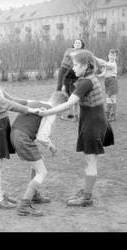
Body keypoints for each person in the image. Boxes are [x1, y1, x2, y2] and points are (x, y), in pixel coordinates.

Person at [38, 50, 114, 207]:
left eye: (75, 65)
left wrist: (46, 112)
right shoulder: (88, 78)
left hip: (93, 123)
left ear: (85, 66)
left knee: (90, 161)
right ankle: (87, 190)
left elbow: (68, 104)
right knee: (88, 160)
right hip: (93, 121)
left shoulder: (86, 82)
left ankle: (87, 197)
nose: (72, 68)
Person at [0, 52, 39, 209]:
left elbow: (11, 99)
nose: (0, 70)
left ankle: (0, 193)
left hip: (0, 124)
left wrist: (32, 103)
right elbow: (7, 104)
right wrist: (29, 110)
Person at [10, 91, 68, 216]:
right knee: (42, 172)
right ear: (60, 105)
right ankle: (23, 206)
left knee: (37, 162)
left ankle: (34, 195)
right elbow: (42, 136)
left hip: (15, 134)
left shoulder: (37, 102)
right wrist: (51, 146)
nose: (62, 112)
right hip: (23, 137)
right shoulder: (50, 112)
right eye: (63, 108)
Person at [56, 39, 85, 121]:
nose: (77, 44)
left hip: (73, 71)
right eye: (76, 42)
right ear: (74, 44)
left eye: (79, 43)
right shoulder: (69, 50)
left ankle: (73, 112)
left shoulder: (82, 52)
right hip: (64, 69)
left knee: (71, 90)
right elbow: (72, 55)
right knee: (60, 87)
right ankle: (56, 107)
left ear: (82, 45)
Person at [96, 49, 119, 122]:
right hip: (107, 81)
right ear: (108, 56)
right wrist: (99, 75)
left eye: (114, 55)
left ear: (116, 57)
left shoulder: (113, 64)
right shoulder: (108, 63)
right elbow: (105, 72)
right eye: (111, 55)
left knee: (112, 97)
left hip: (112, 81)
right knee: (108, 98)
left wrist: (95, 58)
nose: (112, 57)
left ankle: (113, 115)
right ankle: (108, 114)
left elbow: (105, 64)